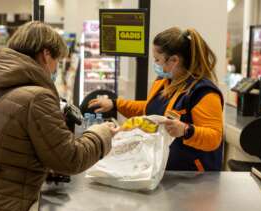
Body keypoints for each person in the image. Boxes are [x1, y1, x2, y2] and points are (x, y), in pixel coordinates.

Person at [0, 21, 117, 211]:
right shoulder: (37, 98)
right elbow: (70, 159)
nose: (55, 69)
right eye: (57, 61)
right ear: (46, 54)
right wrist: (100, 134)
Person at [88, 27, 223, 171]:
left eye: (157, 59)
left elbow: (214, 138)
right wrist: (115, 104)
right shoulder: (163, 82)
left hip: (193, 177)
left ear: (174, 60)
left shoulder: (203, 92)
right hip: (164, 170)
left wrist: (185, 130)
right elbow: (150, 109)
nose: (155, 64)